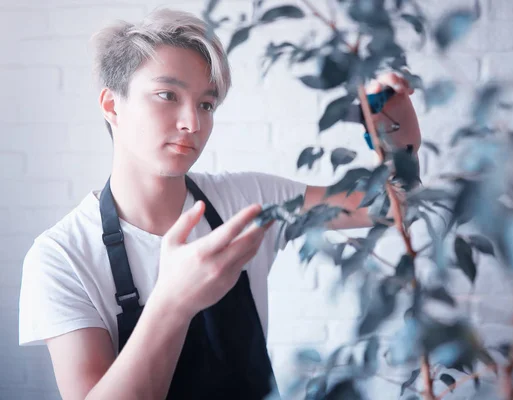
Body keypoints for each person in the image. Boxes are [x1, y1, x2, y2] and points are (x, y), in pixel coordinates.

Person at [18, 8, 421, 400]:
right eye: (166, 95)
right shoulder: (61, 257)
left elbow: (394, 206)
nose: (192, 122)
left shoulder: (248, 201)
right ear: (111, 105)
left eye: (206, 104)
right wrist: (172, 301)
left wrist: (397, 136)